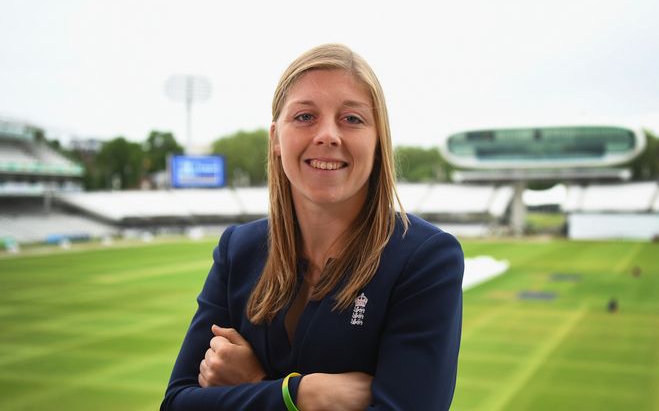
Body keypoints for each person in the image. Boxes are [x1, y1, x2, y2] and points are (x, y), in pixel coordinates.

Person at [161, 44, 464, 411]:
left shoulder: (426, 257)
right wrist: (301, 394)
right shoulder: (238, 249)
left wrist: (257, 385)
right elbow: (176, 402)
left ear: (378, 140)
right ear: (275, 138)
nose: (328, 135)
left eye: (352, 118)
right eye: (305, 116)